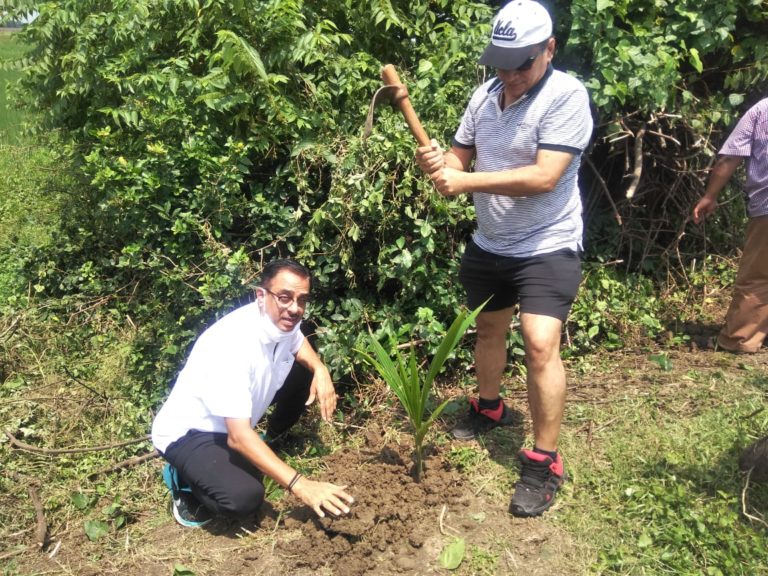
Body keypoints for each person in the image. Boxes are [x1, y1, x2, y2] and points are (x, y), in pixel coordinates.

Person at [415, 0, 593, 517]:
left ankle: (543, 461)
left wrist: (463, 180)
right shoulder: (483, 97)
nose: (510, 75)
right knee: (489, 329)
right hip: (492, 242)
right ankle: (489, 407)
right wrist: (439, 163)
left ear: (549, 50)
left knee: (539, 343)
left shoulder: (567, 96)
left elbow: (544, 176)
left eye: (522, 64)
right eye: (502, 62)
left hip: (547, 242)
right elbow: (457, 161)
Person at [151, 259, 354, 527]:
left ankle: (268, 441)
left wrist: (320, 368)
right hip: (191, 433)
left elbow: (297, 341)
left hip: (233, 423)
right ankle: (184, 481)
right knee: (244, 498)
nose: (294, 308)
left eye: (301, 300)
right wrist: (301, 485)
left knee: (304, 370)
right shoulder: (232, 346)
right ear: (261, 295)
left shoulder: (282, 322)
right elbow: (237, 436)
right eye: (285, 297)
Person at [692, 97, 768, 353]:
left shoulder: (762, 110)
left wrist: (709, 196)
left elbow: (729, 158)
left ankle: (740, 339)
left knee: (757, 277)